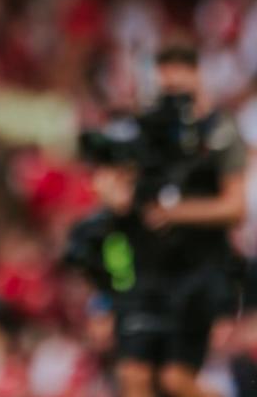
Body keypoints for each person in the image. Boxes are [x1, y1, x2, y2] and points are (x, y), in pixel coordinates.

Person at [72, 43, 246, 397]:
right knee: (135, 377)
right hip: (150, 273)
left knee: (174, 380)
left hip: (197, 272)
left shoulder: (219, 132)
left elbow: (235, 208)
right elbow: (123, 201)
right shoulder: (148, 134)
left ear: (197, 76)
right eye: (166, 84)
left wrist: (175, 213)